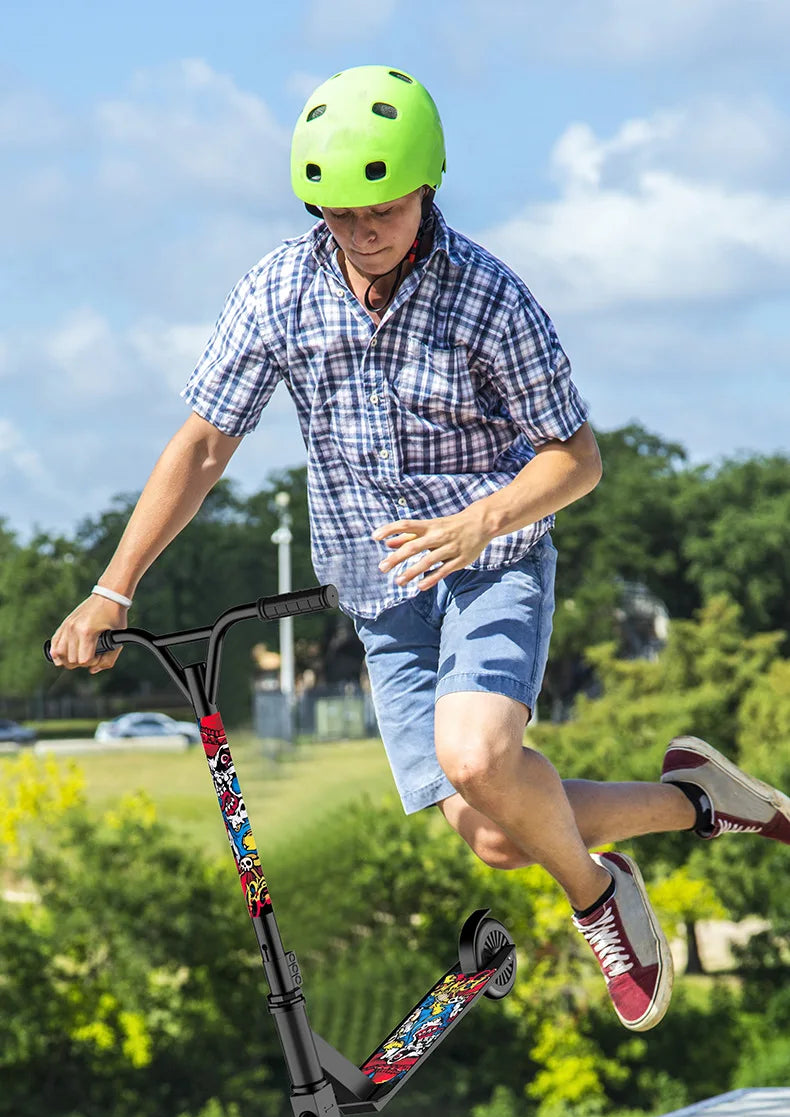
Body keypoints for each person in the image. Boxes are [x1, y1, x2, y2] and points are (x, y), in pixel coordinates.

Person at [49, 65, 790, 1034]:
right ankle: (695, 799)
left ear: (428, 185)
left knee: (478, 755)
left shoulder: (488, 297)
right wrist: (112, 586)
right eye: (339, 212)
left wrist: (481, 521)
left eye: (383, 210)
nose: (361, 233)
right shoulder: (278, 290)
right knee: (491, 831)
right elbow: (201, 444)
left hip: (491, 564)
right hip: (379, 587)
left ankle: (596, 899)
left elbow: (576, 459)